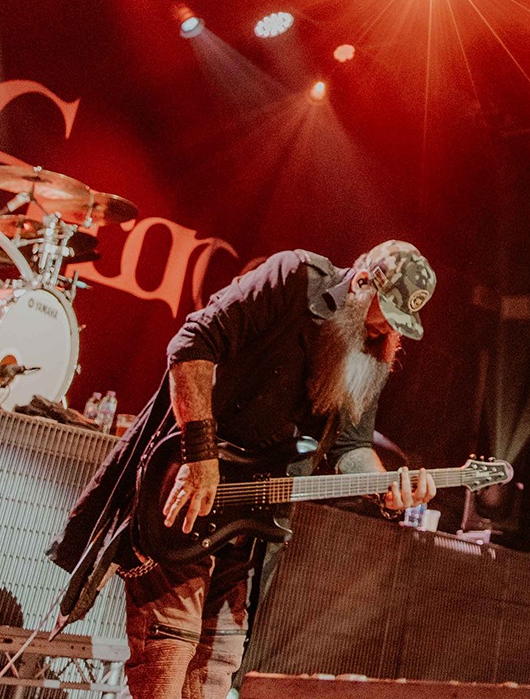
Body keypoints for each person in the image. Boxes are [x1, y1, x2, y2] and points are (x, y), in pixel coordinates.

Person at [50, 240, 440, 699]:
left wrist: (387, 489)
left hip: (251, 526)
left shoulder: (370, 351)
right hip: (190, 493)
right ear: (361, 282)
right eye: (386, 314)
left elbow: (350, 446)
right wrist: (200, 455)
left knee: (214, 676)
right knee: (168, 658)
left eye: (399, 324)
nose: (386, 330)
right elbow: (192, 343)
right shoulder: (292, 277)